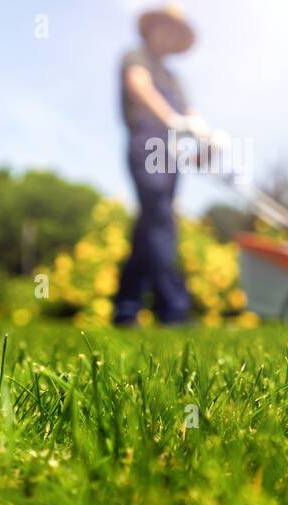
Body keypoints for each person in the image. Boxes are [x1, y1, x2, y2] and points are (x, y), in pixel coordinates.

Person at [113, 3, 208, 325]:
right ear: (152, 29)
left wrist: (205, 139)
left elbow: (191, 115)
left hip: (170, 154)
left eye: (175, 31)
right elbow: (138, 86)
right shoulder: (136, 57)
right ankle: (174, 309)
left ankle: (126, 309)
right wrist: (171, 119)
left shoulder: (174, 78)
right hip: (147, 145)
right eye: (165, 27)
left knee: (149, 228)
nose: (169, 35)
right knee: (161, 221)